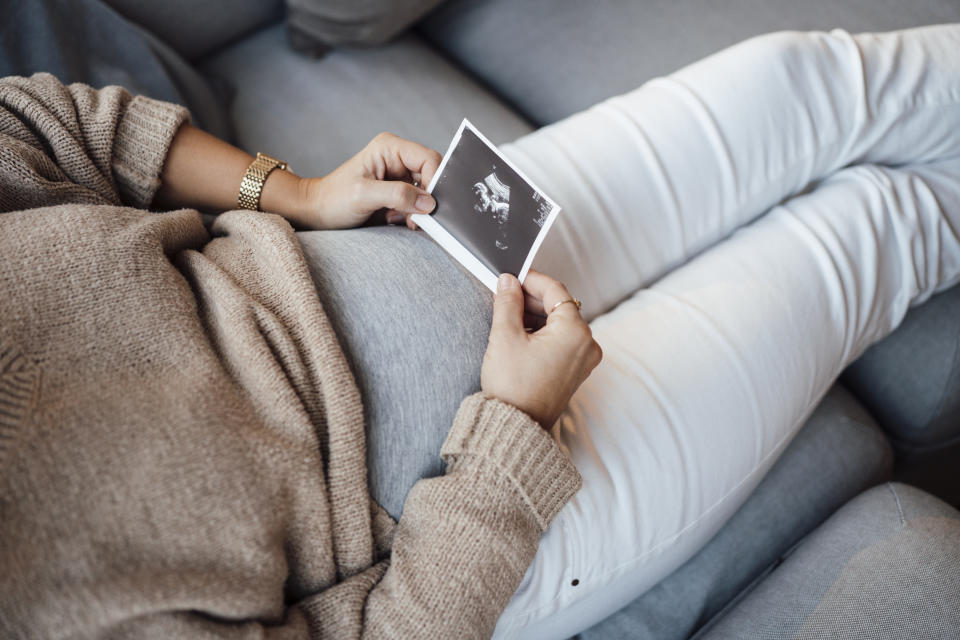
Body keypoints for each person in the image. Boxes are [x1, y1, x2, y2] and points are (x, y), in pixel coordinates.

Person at [1, 22, 959, 640]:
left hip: (407, 249)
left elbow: (49, 124)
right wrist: (514, 425)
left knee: (808, 80)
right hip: (488, 507)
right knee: (886, 229)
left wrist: (293, 191)